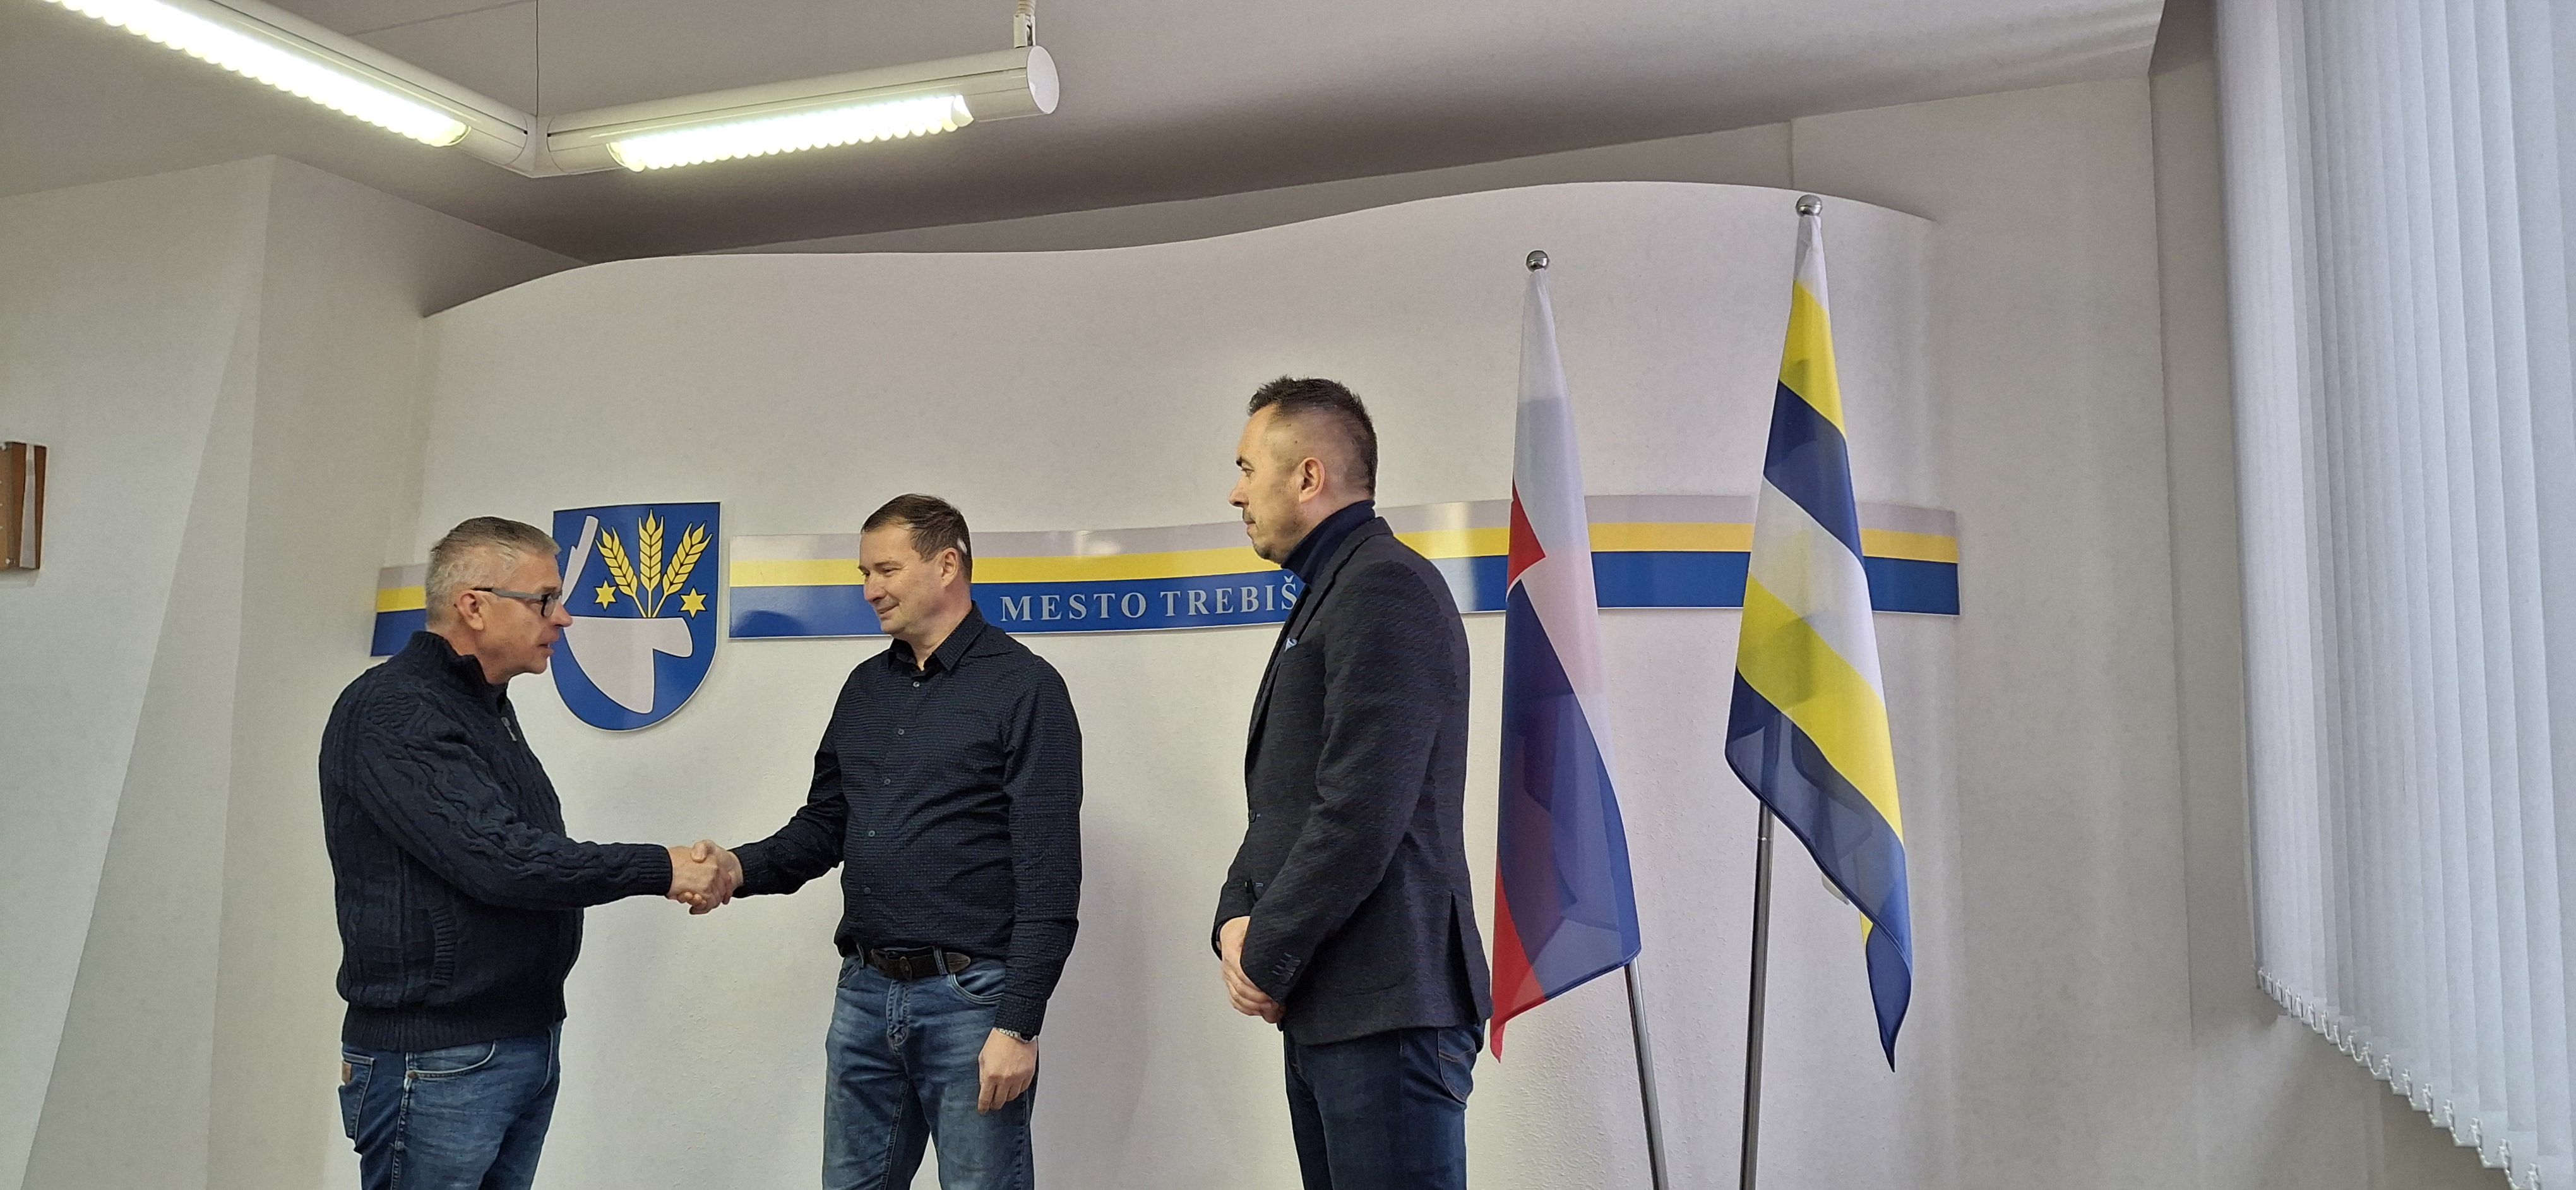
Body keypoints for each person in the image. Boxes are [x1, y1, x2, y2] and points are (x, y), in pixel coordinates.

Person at [319, 515, 739, 1190]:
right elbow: (503, 862)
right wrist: (662, 867)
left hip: (513, 1042)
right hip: (439, 1057)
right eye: (545, 600)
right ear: (474, 606)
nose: (564, 618)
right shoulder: (394, 710)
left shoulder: (482, 707)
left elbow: (522, 855)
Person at [721, 493, 1083, 1190]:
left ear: (947, 565)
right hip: (863, 993)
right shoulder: (864, 689)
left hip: (972, 1003)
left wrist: (1018, 1025)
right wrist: (737, 868)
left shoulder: (1026, 688)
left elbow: (1050, 872)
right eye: (865, 573)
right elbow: (824, 826)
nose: (870, 590)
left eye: (885, 570)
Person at [1215, 377, 1494, 1190]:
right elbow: (1285, 803)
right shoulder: (1333, 591)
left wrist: (1263, 951)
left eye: (1247, 468)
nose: (1236, 493)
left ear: (1308, 476)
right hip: (1337, 1007)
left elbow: (1360, 812)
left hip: (1388, 1012)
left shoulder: (1383, 586)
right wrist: (1231, 919)